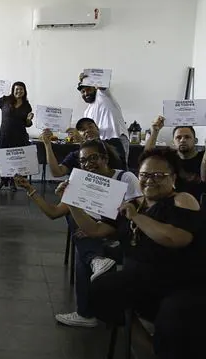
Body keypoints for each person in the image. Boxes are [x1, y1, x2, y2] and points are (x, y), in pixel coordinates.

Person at [79, 149, 206, 358]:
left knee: (173, 315)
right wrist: (73, 203)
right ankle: (145, 347)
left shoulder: (182, 200)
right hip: (142, 278)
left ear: (173, 178)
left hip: (181, 282)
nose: (150, 180)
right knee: (102, 290)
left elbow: (176, 238)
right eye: (145, 175)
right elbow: (95, 230)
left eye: (158, 176)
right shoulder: (135, 204)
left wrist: (136, 218)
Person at [14, 139, 142, 327]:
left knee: (82, 247)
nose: (89, 164)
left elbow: (138, 211)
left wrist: (107, 227)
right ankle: (95, 261)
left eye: (93, 158)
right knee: (76, 226)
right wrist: (30, 189)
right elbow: (53, 213)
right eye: (83, 161)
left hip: (122, 239)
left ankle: (86, 312)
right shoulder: (81, 183)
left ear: (105, 158)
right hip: (93, 239)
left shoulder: (125, 178)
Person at [0, 82, 34, 190]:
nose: (19, 91)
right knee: (2, 158)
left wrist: (29, 120)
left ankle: (13, 181)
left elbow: (27, 124)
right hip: (5, 135)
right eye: (17, 89)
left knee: (15, 160)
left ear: (24, 91)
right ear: (13, 90)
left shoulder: (27, 106)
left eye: (21, 89)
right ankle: (2, 180)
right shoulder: (5, 100)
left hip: (20, 136)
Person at [145, 116, 206, 201]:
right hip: (174, 206)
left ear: (195, 141)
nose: (182, 140)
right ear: (173, 142)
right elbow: (148, 157)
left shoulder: (203, 156)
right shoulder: (169, 158)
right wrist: (155, 132)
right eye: (178, 137)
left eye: (187, 137)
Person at [42, 117, 125, 178]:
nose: (87, 130)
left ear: (97, 128)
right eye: (82, 130)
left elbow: (117, 162)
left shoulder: (114, 142)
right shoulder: (75, 155)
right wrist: (47, 145)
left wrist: (83, 141)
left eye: (90, 126)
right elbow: (57, 172)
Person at [77, 73, 129, 159]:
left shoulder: (103, 96)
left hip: (117, 140)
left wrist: (89, 78)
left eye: (88, 89)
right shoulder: (87, 111)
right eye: (83, 92)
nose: (86, 93)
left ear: (95, 88)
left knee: (119, 167)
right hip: (101, 144)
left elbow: (103, 85)